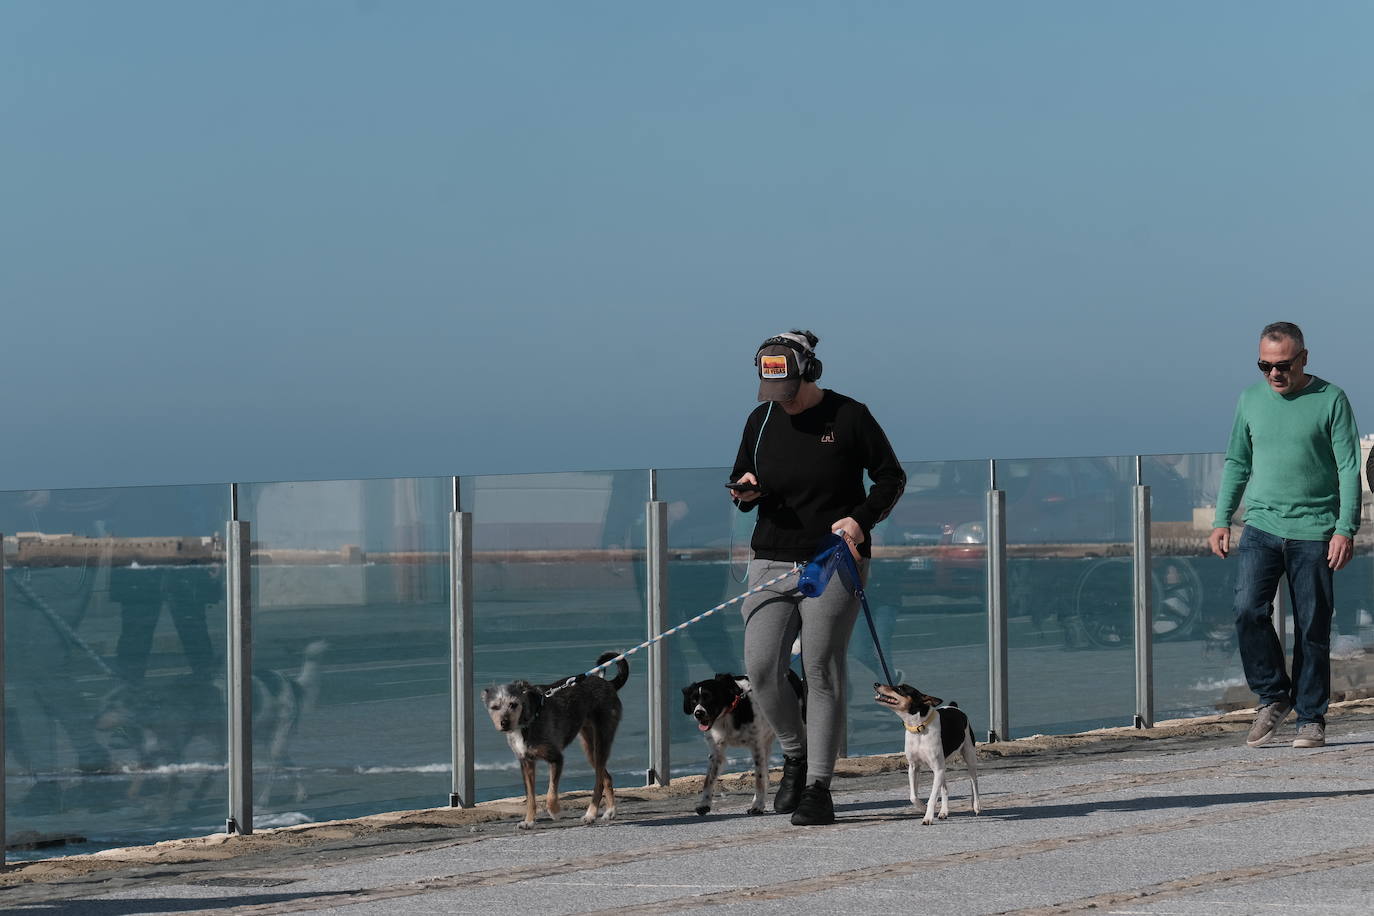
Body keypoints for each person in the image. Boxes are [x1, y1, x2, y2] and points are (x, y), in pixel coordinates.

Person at [730, 329, 906, 825]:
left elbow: (891, 478)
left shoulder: (850, 415)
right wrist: (745, 491)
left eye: (787, 391)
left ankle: (818, 787)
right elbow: (744, 478)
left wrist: (861, 520)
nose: (781, 401)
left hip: (834, 558)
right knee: (761, 669)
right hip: (771, 557)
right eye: (772, 392)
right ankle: (796, 753)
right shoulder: (761, 419)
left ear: (809, 372)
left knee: (821, 669)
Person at [1208, 322, 1361, 750]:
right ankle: (1274, 696)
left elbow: (1349, 467)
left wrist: (1345, 528)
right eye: (1265, 365)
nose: (1274, 374)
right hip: (1261, 526)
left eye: (1283, 365)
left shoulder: (1331, 399)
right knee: (1247, 610)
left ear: (1304, 358)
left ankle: (1310, 718)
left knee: (1312, 626)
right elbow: (1237, 462)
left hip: (1315, 531)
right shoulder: (1249, 400)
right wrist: (1221, 520)